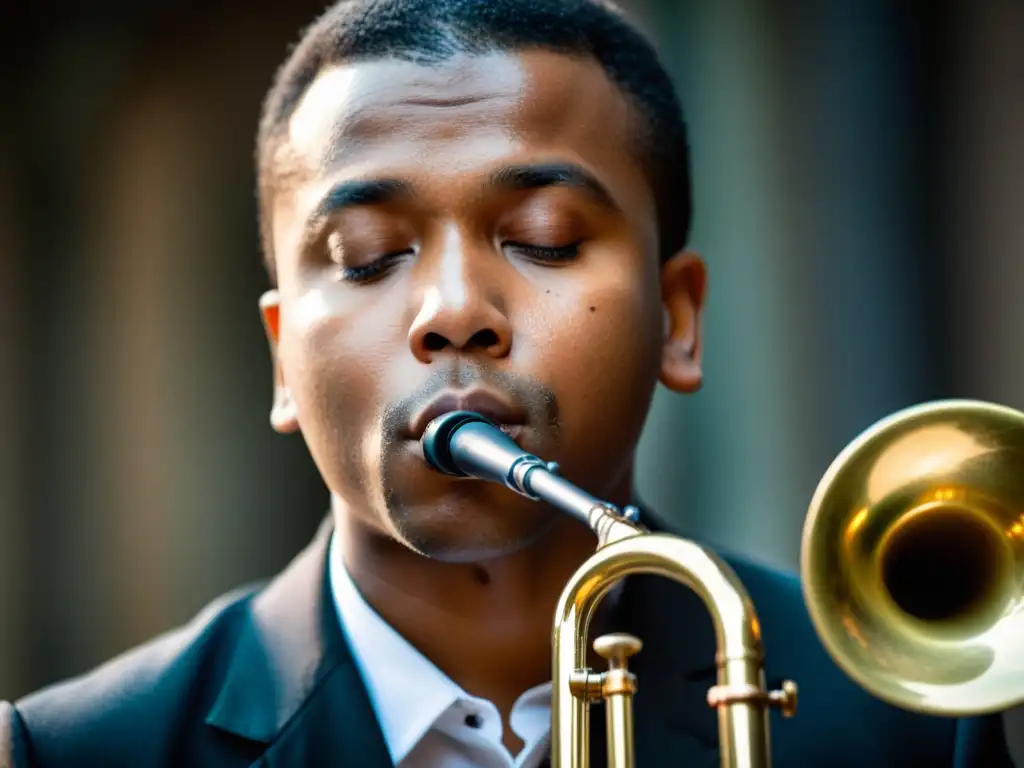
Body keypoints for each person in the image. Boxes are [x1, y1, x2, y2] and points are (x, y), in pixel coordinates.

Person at [0, 0, 1016, 766]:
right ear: (281, 361)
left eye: (543, 239)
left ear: (678, 319)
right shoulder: (71, 752)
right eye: (363, 258)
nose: (451, 311)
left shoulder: (900, 719)